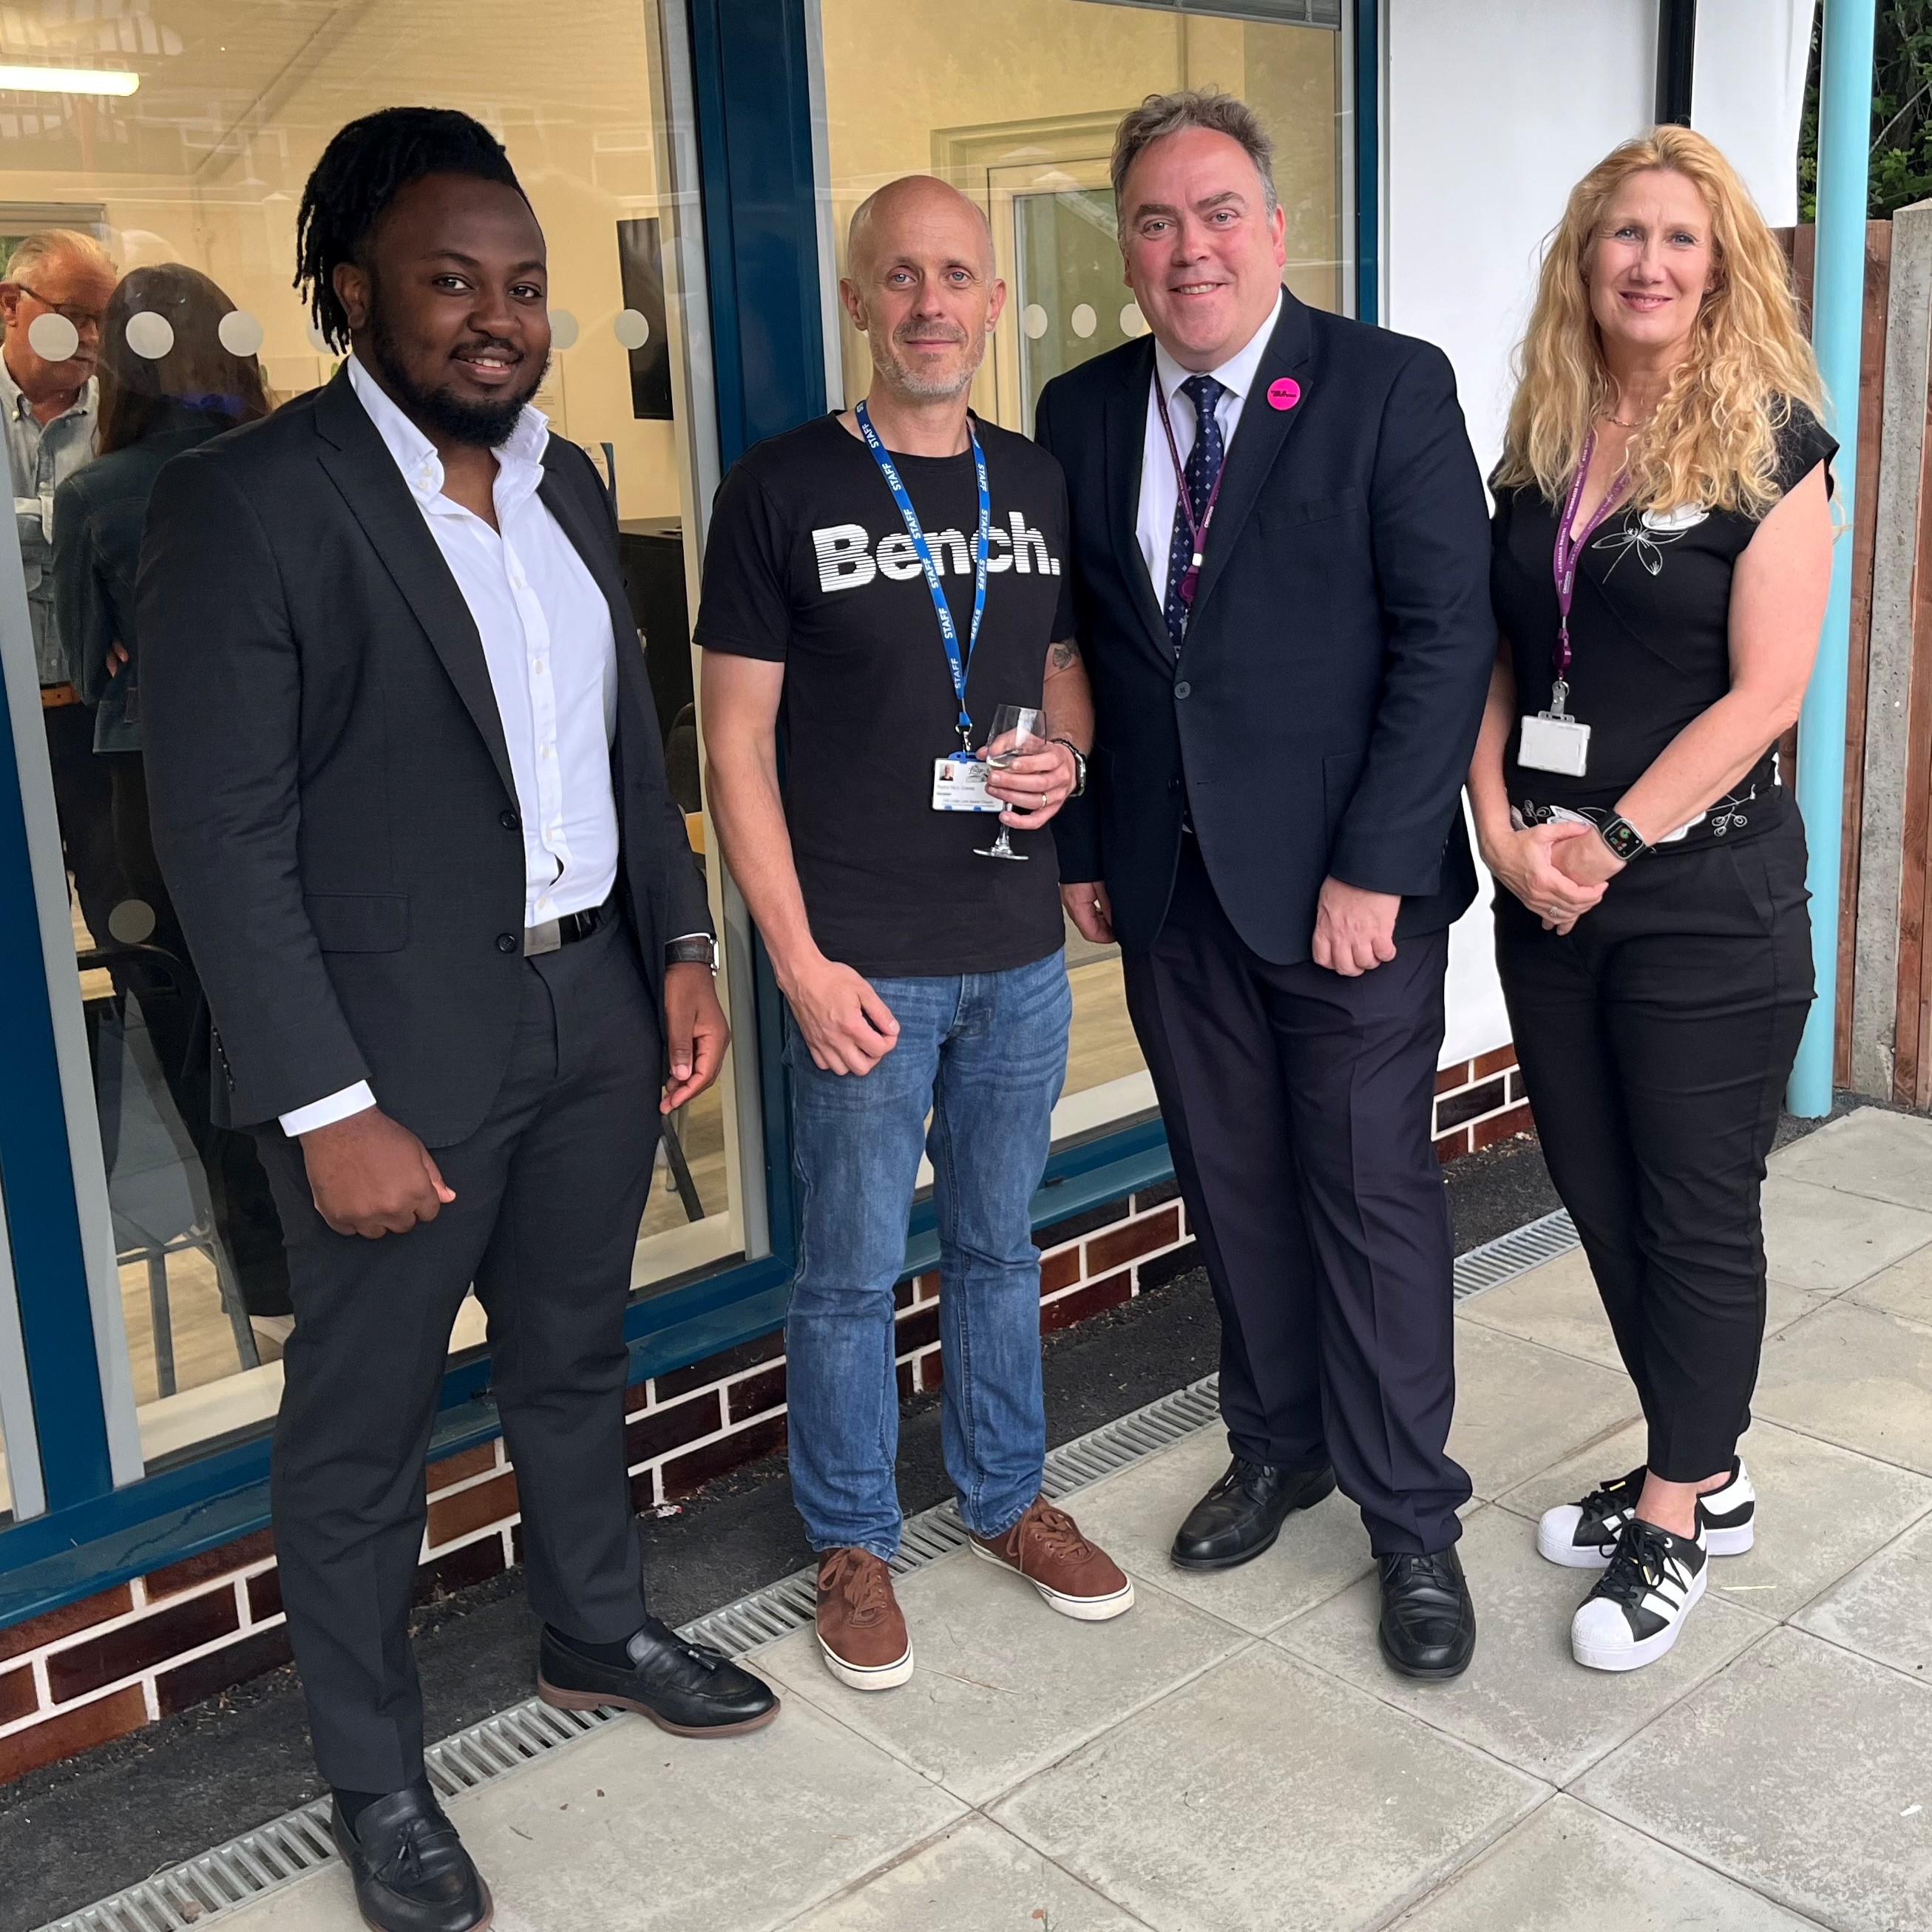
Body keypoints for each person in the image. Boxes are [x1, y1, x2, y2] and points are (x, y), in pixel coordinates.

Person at [141, 109, 776, 1932]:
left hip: (590, 1010)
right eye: (450, 283)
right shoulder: (253, 502)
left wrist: (674, 948)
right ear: (352, 294)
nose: (497, 318)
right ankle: (377, 1774)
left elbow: (618, 746)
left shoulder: (567, 481)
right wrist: (325, 1101)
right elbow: (222, 838)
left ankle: (594, 1622)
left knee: (576, 1352)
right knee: (362, 1433)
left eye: (524, 287)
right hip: (390, 1059)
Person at [1040, 90, 1494, 1680]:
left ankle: (1409, 1520)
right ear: (1126, 242)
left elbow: (1447, 642)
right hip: (1168, 888)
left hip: (1345, 897)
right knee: (1230, 1185)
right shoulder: (1083, 410)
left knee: (1368, 1196)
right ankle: (1277, 1443)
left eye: (1217, 210)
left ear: (1275, 228)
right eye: (1155, 220)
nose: (1188, 248)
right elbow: (1080, 645)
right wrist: (1083, 849)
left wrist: (1376, 862)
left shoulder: (1383, 386)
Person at [698, 174, 1132, 1697]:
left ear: (992, 304)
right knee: (849, 1269)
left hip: (1016, 949)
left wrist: (1064, 763)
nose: (930, 302)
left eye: (956, 275)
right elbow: (732, 749)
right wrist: (800, 965)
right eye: (900, 276)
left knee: (1001, 1246)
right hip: (861, 961)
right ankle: (853, 1537)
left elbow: (1064, 669)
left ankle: (1007, 1495)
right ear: (856, 302)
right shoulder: (776, 490)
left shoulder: (1036, 481)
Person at [1471, 126, 1831, 1674]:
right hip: (1546, 895)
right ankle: (1706, 1456)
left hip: (1699, 894)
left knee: (1692, 1214)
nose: (1646, 262)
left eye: (1680, 239)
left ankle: (1677, 1509)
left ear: (1722, 264)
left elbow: (1765, 694)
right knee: (1599, 1193)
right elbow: (1494, 651)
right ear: (1582, 255)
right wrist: (1495, 823)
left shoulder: (1771, 439)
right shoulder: (1543, 433)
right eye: (1622, 234)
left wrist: (1603, 837)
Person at [54, 262, 293, 1349]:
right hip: (299, 772)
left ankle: (275, 1288)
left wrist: (134, 667)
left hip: (155, 782)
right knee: (328, 1017)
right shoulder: (295, 462)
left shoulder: (95, 495)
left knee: (203, 1049)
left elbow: (84, 667)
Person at [1, 229, 124, 952]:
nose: (90, 338)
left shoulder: (122, 420)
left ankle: (156, 1062)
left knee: (131, 919)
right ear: (11, 306)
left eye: (103, 321)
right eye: (74, 314)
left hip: (97, 723)